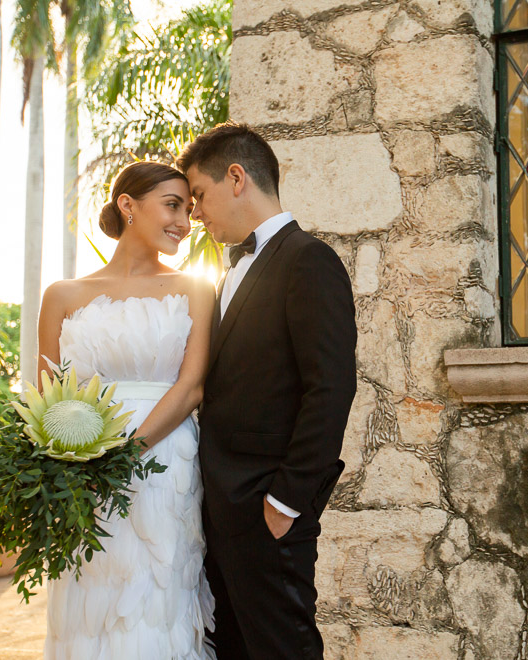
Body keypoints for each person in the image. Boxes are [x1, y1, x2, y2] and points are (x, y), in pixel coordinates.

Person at [179, 122, 357, 659]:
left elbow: (330, 389)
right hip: (219, 513)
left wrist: (285, 502)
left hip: (266, 513)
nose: (195, 214)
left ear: (237, 178)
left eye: (200, 196)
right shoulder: (225, 273)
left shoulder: (309, 260)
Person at [36, 161, 217, 659]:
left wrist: (124, 453)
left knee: (157, 599)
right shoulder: (62, 295)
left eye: (189, 209)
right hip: (83, 472)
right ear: (128, 205)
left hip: (165, 465)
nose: (185, 221)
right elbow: (47, 397)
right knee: (89, 604)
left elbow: (192, 386)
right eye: (173, 205)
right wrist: (78, 466)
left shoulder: (196, 288)